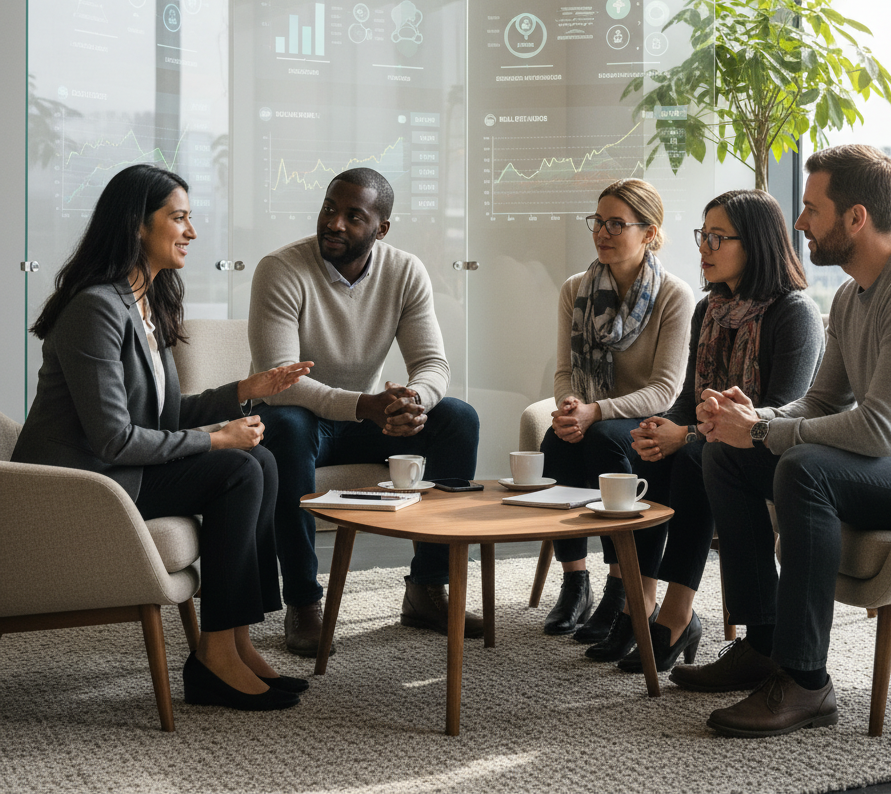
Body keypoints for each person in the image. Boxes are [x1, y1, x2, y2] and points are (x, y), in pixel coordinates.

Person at [677, 145, 891, 738]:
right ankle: (762, 643)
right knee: (726, 454)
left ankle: (806, 681)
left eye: (812, 208)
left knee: (806, 467)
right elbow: (820, 404)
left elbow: (880, 427)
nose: (800, 222)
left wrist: (763, 429)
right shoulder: (850, 293)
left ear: (855, 218)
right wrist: (748, 418)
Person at [13, 165, 313, 711]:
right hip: (79, 485)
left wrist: (247, 388)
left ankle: (234, 640)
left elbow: (165, 413)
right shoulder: (95, 308)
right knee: (240, 468)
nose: (192, 232)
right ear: (136, 226)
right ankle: (213, 657)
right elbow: (114, 439)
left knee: (262, 462)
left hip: (118, 471)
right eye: (179, 218)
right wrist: (219, 441)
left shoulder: (146, 300)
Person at [248, 167, 481, 656]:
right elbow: (277, 379)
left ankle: (426, 589)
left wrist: (414, 401)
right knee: (286, 427)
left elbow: (433, 363)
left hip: (361, 417)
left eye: (353, 216)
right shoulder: (282, 268)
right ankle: (304, 602)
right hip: (300, 411)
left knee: (457, 418)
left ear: (382, 227)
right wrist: (364, 406)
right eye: (329, 209)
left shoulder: (404, 271)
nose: (334, 223)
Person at [621, 189, 824, 674]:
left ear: (753, 244)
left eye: (717, 237)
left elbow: (781, 413)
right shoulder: (708, 309)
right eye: (702, 236)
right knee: (643, 450)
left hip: (776, 448)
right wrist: (664, 426)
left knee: (695, 457)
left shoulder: (793, 314)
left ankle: (677, 612)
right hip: (723, 440)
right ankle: (632, 598)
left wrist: (687, 436)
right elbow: (691, 398)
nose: (704, 248)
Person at [539, 178, 694, 653]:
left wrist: (595, 410)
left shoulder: (674, 294)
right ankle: (574, 582)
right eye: (597, 222)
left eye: (615, 224)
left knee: (604, 437)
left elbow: (666, 389)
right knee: (556, 440)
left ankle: (619, 587)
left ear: (648, 232)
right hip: (592, 411)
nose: (601, 233)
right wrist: (569, 405)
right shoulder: (575, 290)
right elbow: (565, 371)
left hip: (643, 417)